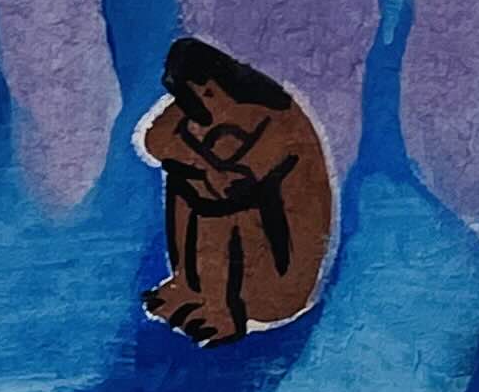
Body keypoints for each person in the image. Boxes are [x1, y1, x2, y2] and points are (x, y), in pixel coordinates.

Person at [134, 38, 334, 343]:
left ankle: (222, 311)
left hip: (279, 272)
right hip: (237, 252)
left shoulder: (277, 118)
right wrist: (205, 165)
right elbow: (155, 140)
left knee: (213, 198)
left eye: (208, 92)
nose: (207, 101)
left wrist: (205, 169)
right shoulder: (200, 107)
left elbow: (234, 186)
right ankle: (188, 286)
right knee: (182, 177)